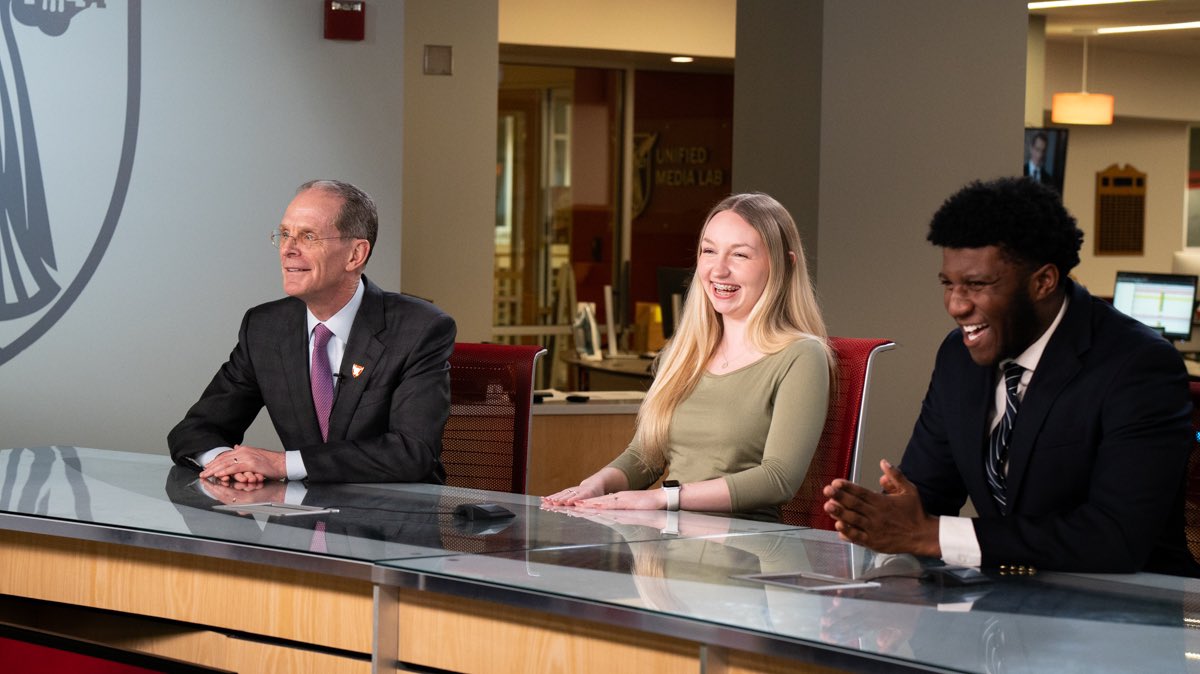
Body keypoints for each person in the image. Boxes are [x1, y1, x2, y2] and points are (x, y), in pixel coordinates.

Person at [823, 177, 1197, 575]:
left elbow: (1115, 537)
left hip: (1132, 614)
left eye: (977, 285)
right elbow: (926, 499)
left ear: (1043, 282)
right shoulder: (957, 357)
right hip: (1005, 607)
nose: (955, 305)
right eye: (948, 284)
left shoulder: (1138, 365)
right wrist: (884, 521)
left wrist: (933, 536)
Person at [543, 192, 832, 522]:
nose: (718, 270)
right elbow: (646, 455)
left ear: (785, 265)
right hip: (668, 539)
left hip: (744, 550)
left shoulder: (801, 356)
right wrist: (595, 486)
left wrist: (663, 499)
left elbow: (778, 479)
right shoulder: (683, 354)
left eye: (740, 255)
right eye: (709, 251)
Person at [168, 180, 456, 484]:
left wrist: (282, 464)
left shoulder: (420, 328)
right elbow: (194, 430)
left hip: (392, 520)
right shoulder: (265, 328)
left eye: (308, 236)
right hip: (302, 519)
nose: (288, 250)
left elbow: (412, 452)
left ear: (355, 255)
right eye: (284, 234)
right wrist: (226, 463)